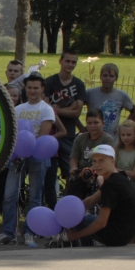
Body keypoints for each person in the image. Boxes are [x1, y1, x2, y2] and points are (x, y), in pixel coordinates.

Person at [0, 72, 55, 247]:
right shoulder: (18, 109)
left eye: (36, 88)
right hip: (18, 157)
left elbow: (43, 134)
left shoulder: (46, 109)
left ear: (42, 89)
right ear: (25, 89)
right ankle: (8, 233)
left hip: (38, 156)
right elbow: (12, 134)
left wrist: (28, 147)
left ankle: (30, 232)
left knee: (35, 196)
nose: (33, 91)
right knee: (9, 195)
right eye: (29, 88)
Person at [62, 145, 135, 247]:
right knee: (77, 215)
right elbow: (91, 200)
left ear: (112, 160)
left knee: (79, 220)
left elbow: (101, 222)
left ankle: (85, 249)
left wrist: (75, 235)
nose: (97, 165)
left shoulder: (112, 185)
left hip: (115, 237)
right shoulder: (119, 177)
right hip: (124, 235)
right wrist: (69, 210)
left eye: (101, 161)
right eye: (94, 161)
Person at [44, 50, 86, 180]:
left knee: (70, 172)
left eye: (74, 62)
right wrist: (69, 108)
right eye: (67, 61)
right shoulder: (49, 82)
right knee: (48, 172)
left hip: (69, 134)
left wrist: (55, 109)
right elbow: (46, 109)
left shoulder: (79, 85)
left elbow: (76, 113)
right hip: (50, 133)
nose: (70, 64)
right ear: (60, 61)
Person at [66, 108, 115, 200]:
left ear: (103, 124)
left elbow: (107, 160)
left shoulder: (107, 140)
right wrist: (73, 168)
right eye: (89, 123)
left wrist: (89, 170)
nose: (93, 126)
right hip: (81, 172)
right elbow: (74, 158)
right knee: (74, 185)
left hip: (100, 171)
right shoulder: (80, 139)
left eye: (96, 123)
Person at [84, 63, 135, 136]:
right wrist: (81, 127)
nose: (107, 78)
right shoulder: (90, 93)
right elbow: (76, 108)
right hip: (93, 137)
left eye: (111, 76)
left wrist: (123, 127)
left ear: (116, 78)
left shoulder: (122, 95)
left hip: (113, 138)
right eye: (105, 75)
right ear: (100, 77)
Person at [115, 121, 135, 191]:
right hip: (117, 186)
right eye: (123, 135)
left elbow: (134, 174)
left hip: (132, 188)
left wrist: (115, 170)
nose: (125, 137)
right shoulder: (117, 150)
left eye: (129, 135)